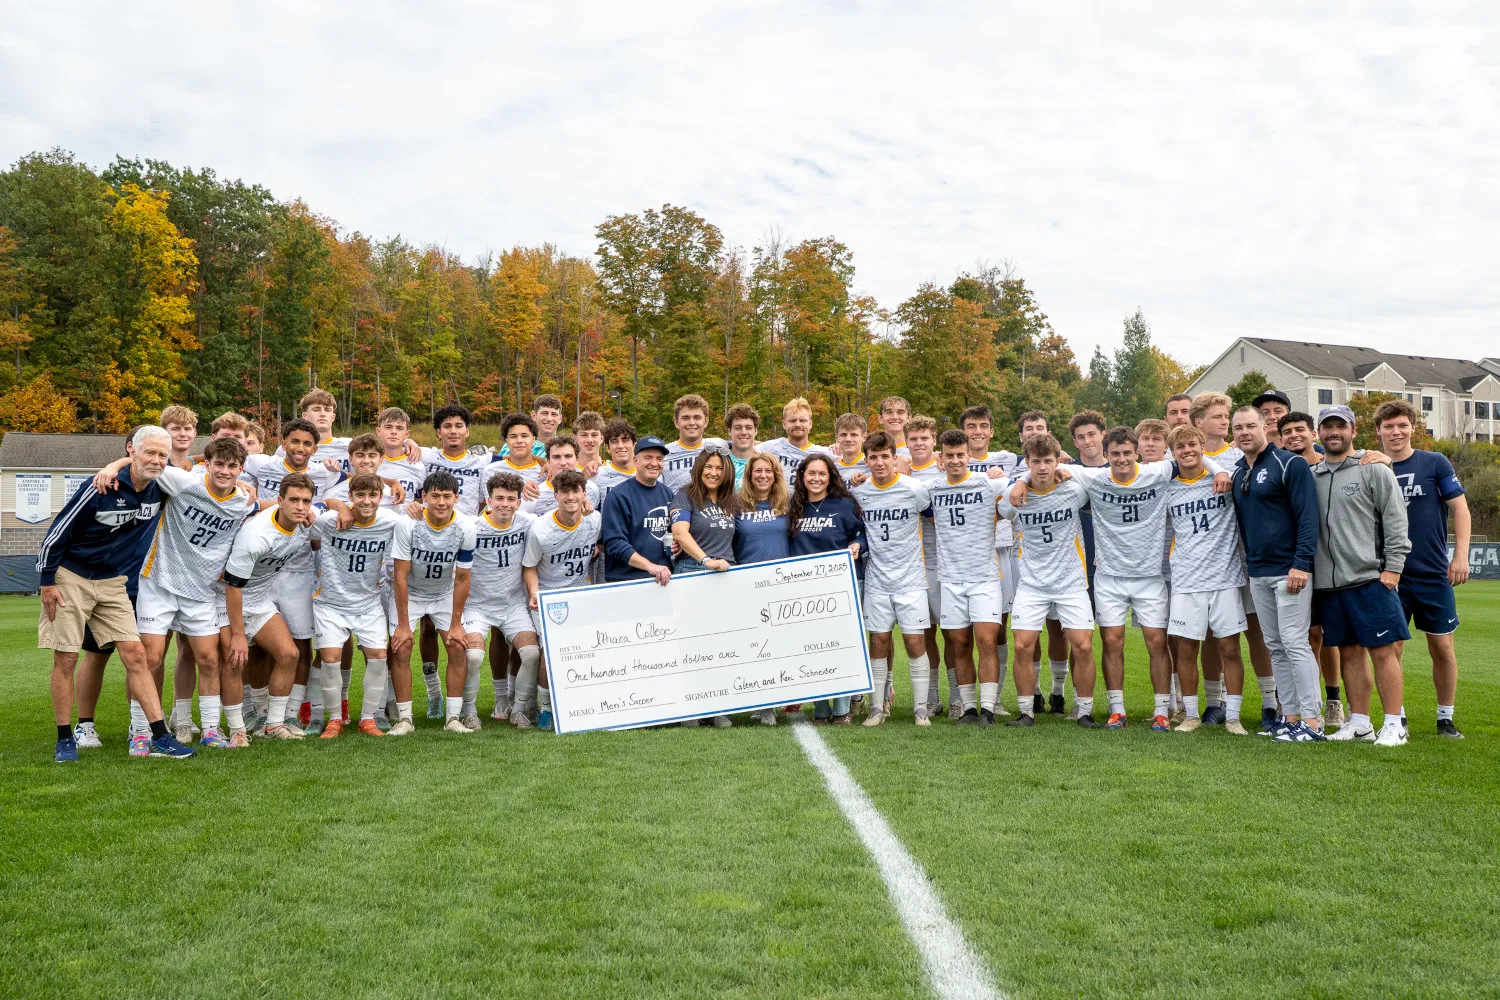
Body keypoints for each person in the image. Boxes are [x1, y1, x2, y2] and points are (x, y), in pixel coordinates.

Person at [1016, 426, 1229, 731]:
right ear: (1107, 454)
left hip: (1149, 576)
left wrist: (1219, 470)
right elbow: (1044, 466)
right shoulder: (1093, 477)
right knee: (1111, 641)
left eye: (1127, 452)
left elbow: (1193, 456)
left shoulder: (1156, 471)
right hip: (1109, 577)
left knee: (1157, 642)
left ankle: (1160, 711)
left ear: (1137, 453)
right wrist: (1020, 483)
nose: (1121, 459)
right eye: (1115, 453)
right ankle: (1117, 710)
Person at [38, 425, 194, 762]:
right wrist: (47, 581)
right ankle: (66, 738)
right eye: (149, 452)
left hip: (113, 580)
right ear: (131, 451)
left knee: (136, 655)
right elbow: (56, 532)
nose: (156, 460)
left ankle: (160, 736)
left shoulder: (161, 487)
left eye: (162, 455)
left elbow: (202, 477)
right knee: (66, 656)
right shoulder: (101, 486)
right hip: (72, 575)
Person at [94, 435, 255, 749]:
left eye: (232, 466)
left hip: (202, 591)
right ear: (206, 464)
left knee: (208, 660)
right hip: (159, 583)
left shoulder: (243, 501)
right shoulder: (185, 482)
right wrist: (112, 465)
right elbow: (145, 462)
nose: (224, 471)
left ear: (241, 470)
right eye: (218, 464)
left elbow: (268, 505)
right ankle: (140, 731)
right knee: (150, 658)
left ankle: (210, 730)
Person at [1312, 406, 1412, 746]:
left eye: (1341, 426)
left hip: (1370, 578)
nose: (1333, 433)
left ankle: (1394, 723)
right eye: (1327, 428)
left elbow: (1396, 521)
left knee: (1383, 651)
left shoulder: (1373, 470)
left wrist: (1393, 568)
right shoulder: (1313, 475)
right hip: (1330, 584)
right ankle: (1360, 721)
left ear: (1353, 431)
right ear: (1319, 434)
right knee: (1350, 654)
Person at [1376, 399, 1470, 738]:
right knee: (1391, 649)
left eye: (1402, 425)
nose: (1396, 432)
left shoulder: (1434, 462)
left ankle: (1445, 717)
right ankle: (1395, 716)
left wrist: (1460, 556)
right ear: (1379, 432)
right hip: (1389, 574)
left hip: (1432, 571)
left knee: (1442, 646)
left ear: (1412, 428)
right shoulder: (1373, 466)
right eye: (1389, 426)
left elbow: (1460, 509)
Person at [1228, 406, 1322, 739]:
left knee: (1295, 643)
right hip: (1259, 572)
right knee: (1275, 645)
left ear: (1264, 428)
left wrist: (1301, 563)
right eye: (1237, 428)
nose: (1244, 432)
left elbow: (1308, 517)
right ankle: (1290, 717)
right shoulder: (1239, 473)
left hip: (1289, 570)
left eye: (1250, 425)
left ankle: (1312, 722)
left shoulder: (1290, 463)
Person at [242, 419, 342, 732]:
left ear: (316, 448)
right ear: (282, 441)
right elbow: (217, 457)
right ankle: (257, 712)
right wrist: (276, 506)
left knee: (299, 645)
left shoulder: (323, 473)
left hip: (298, 568)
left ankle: (290, 713)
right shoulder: (261, 462)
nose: (300, 449)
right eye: (295, 442)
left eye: (307, 444)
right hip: (261, 570)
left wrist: (327, 506)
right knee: (258, 647)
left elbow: (345, 488)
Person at [998, 432, 1098, 728]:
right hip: (1032, 582)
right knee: (1022, 645)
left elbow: (1101, 481)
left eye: (1048, 461)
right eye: (1036, 461)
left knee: (1082, 646)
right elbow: (998, 511)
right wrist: (1018, 483)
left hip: (1071, 582)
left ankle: (1085, 711)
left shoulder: (1074, 489)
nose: (1042, 467)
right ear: (1027, 463)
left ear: (1058, 461)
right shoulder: (1015, 497)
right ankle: (1026, 711)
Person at [1193, 391, 1276, 730]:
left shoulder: (1240, 455)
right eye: (1217, 416)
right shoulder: (1184, 457)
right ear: (1198, 422)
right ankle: (1215, 702)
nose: (1224, 422)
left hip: (1245, 557)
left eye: (1226, 416)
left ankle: (1270, 703)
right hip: (1209, 563)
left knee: (1258, 632)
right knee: (1213, 635)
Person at [1164, 425, 1251, 734]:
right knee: (1187, 650)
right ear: (1172, 453)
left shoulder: (1226, 479)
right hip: (1187, 580)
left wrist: (1219, 471)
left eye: (1192, 444)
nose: (1187, 450)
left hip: (1225, 577)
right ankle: (1190, 715)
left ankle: (1233, 717)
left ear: (1202, 447)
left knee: (1229, 648)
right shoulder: (1168, 487)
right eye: (1180, 447)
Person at [222, 473, 319, 740]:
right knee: (234, 661)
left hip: (259, 599)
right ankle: (237, 730)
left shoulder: (306, 521)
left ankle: (274, 724)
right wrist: (239, 634)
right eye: (294, 500)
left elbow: (333, 512)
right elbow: (232, 586)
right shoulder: (256, 534)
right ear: (279, 501)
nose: (300, 506)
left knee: (289, 654)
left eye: (306, 501)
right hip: (227, 600)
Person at [309, 473, 401, 739]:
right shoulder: (329, 522)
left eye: (372, 495)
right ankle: (335, 719)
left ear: (381, 498)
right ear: (350, 497)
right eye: (360, 495)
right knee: (329, 660)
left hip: (368, 602)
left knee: (378, 657)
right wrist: (337, 507)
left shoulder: (391, 522)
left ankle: (368, 719)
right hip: (330, 603)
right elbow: (303, 522)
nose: (366, 501)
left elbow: (414, 530)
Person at [851, 432, 934, 726]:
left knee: (914, 642)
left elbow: (935, 519)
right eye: (872, 457)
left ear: (895, 458)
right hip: (877, 579)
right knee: (879, 641)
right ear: (866, 460)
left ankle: (921, 709)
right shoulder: (860, 493)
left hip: (911, 579)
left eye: (884, 456)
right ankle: (876, 708)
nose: (879, 462)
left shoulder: (914, 488)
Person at [390, 471, 477, 734]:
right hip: (412, 592)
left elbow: (462, 578)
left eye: (447, 497)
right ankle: (405, 719)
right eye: (435, 496)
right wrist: (404, 625)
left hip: (444, 593)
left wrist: (456, 623)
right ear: (424, 497)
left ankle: (453, 718)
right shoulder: (407, 524)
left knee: (458, 646)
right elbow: (400, 577)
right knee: (402, 646)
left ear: (456, 498)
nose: (441, 502)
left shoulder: (466, 527)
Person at [931, 429, 1006, 726]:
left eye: (960, 455)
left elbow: (1019, 487)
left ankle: (988, 708)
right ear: (941, 458)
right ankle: (969, 708)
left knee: (987, 641)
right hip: (950, 579)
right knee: (959, 644)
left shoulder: (989, 484)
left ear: (968, 456)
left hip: (984, 577)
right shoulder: (931, 489)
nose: (955, 461)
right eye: (949, 455)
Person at [1278, 411, 1345, 725]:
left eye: (1300, 430)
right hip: (1295, 564)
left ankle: (1332, 700)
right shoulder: (1281, 467)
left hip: (1329, 563)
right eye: (1287, 431)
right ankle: (1297, 704)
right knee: (1302, 636)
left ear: (1313, 434)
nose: (1294, 435)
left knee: (1326, 635)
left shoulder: (1327, 464)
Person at [788, 453, 865, 725]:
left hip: (841, 584)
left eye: (822, 474)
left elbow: (863, 533)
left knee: (840, 646)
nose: (816, 479)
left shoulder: (844, 505)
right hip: (805, 588)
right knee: (813, 648)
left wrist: (858, 546)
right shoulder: (793, 505)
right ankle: (820, 709)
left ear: (831, 476)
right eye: (811, 474)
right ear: (802, 477)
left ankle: (842, 709)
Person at [522, 470, 602, 731]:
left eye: (575, 491)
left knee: (586, 647)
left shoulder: (594, 520)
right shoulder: (541, 529)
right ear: (555, 495)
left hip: (579, 592)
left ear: (584, 494)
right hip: (548, 594)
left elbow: (596, 547)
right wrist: (534, 592)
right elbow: (530, 565)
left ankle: (579, 703)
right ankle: (546, 708)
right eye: (564, 492)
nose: (570, 497)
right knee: (550, 648)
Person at [958, 404, 1020, 719]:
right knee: (959, 631)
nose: (978, 432)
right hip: (962, 557)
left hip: (1000, 553)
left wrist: (1064, 458)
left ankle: (994, 698)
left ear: (992, 431)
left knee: (997, 628)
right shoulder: (954, 461)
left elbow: (1041, 457)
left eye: (983, 426)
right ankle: (961, 699)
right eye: (972, 426)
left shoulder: (1007, 460)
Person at [464, 472, 540, 726]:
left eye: (511, 498)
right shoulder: (472, 527)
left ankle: (518, 710)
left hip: (513, 603)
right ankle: (470, 710)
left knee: (531, 654)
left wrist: (584, 507)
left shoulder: (527, 522)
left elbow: (555, 520)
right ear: (488, 499)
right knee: (473, 657)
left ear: (519, 502)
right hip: (477, 605)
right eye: (499, 498)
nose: (504, 504)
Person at [900, 415, 944, 716]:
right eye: (913, 439)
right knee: (924, 633)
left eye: (924, 438)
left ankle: (958, 697)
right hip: (912, 564)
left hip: (943, 561)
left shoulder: (944, 469)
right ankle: (932, 695)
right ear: (906, 442)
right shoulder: (898, 471)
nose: (919, 443)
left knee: (954, 632)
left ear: (934, 441)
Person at [600, 435, 675, 584]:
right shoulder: (619, 496)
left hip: (662, 579)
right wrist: (650, 567)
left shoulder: (668, 493)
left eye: (659, 459)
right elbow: (615, 544)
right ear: (635, 461)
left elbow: (672, 532)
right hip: (627, 581)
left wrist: (677, 544)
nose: (654, 463)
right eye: (648, 457)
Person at [417, 404, 500, 517]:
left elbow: (515, 458)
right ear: (439, 433)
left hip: (466, 529)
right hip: (432, 528)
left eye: (459, 426)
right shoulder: (427, 456)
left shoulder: (482, 462)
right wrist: (408, 442)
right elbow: (392, 447)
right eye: (447, 426)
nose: (453, 431)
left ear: (467, 431)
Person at [670, 448, 738, 575]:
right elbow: (679, 532)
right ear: (700, 468)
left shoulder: (731, 500)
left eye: (720, 468)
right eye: (708, 467)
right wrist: (707, 561)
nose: (713, 473)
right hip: (693, 567)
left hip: (726, 569)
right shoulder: (685, 495)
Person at [663, 394, 730, 492]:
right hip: (676, 505)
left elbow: (744, 443)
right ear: (676, 422)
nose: (691, 423)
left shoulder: (718, 446)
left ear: (706, 421)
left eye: (697, 417)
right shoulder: (663, 453)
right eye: (685, 418)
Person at [759, 397, 833, 485]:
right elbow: (746, 449)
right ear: (784, 424)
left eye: (802, 420)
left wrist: (840, 446)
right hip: (779, 498)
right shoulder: (771, 447)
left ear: (810, 424)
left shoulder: (823, 454)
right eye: (792, 420)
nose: (797, 424)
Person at [525, 436, 601, 517]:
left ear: (577, 460)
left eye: (568, 456)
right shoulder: (533, 495)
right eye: (556, 457)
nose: (563, 463)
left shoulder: (592, 489)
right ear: (548, 461)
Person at [724, 403, 762, 487]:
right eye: (738, 428)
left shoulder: (764, 462)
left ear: (755, 431)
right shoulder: (721, 462)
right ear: (729, 431)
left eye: (748, 428)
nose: (743, 432)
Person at [832, 413, 870, 483]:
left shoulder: (872, 465)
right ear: (837, 437)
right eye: (843, 434)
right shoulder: (831, 468)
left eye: (854, 435)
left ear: (864, 437)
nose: (848, 439)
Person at [572, 410, 607, 476]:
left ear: (602, 438)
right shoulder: (567, 469)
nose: (589, 440)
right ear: (575, 438)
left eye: (594, 435)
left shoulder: (610, 469)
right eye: (584, 435)